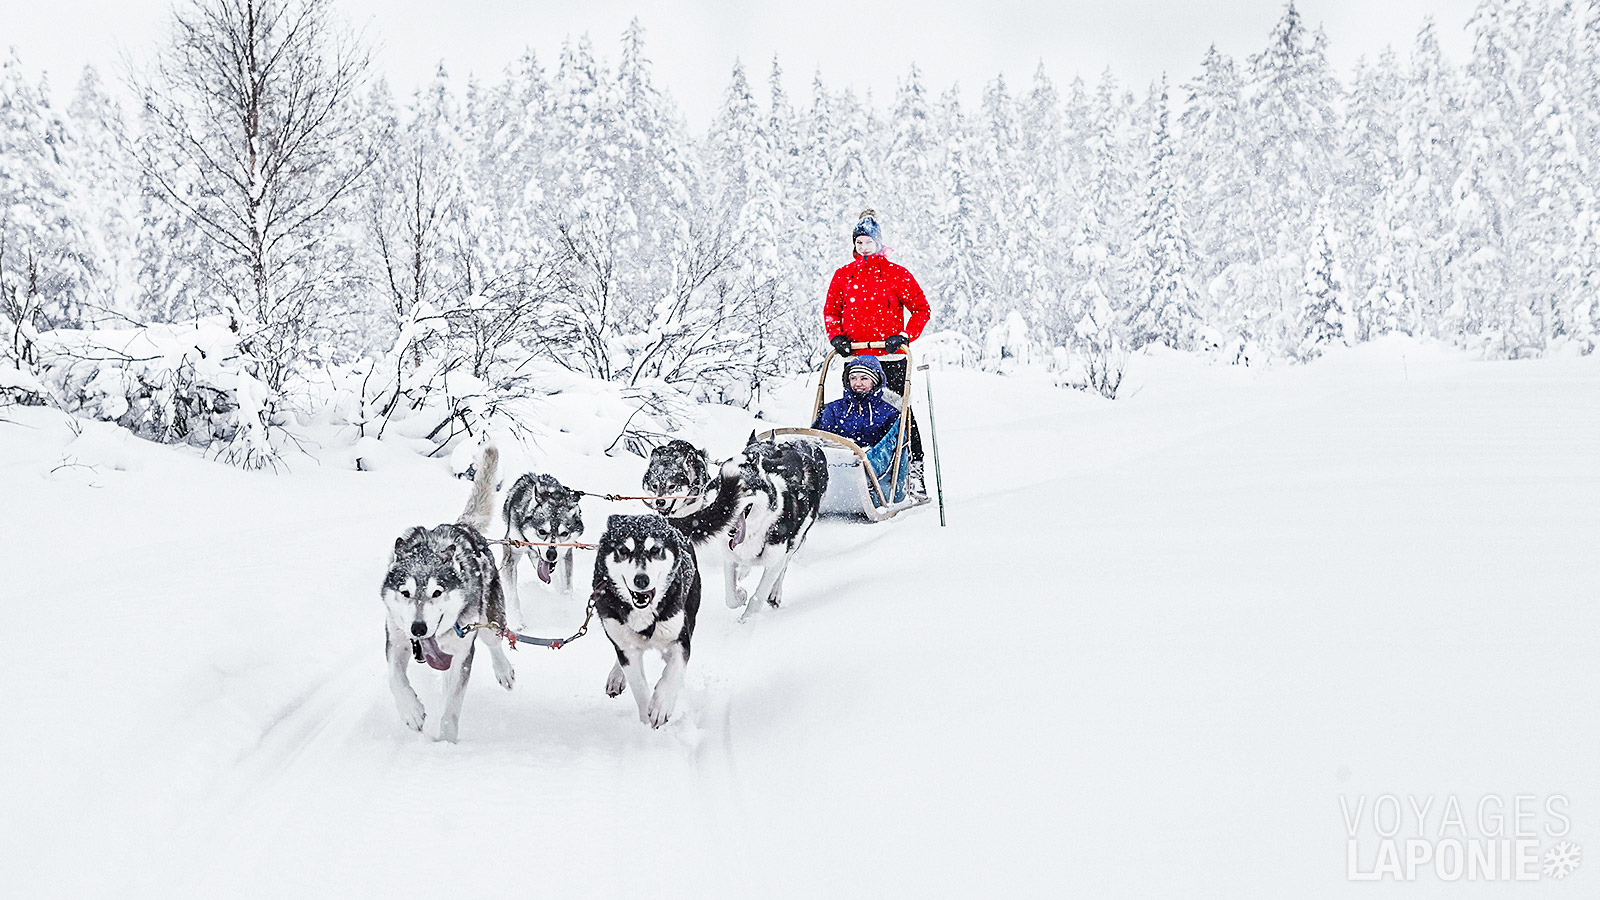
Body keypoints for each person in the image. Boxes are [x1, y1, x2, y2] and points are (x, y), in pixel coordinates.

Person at [822, 209, 931, 497]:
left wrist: (905, 335)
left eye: (868, 241)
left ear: (879, 243)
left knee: (899, 415)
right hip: (857, 358)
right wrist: (837, 337)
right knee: (851, 415)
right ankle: (847, 471)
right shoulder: (844, 276)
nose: (863, 247)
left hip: (891, 359)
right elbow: (831, 311)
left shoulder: (896, 274)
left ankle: (913, 471)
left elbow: (921, 309)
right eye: (859, 242)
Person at [812, 355, 908, 498]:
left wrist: (863, 461)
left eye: (864, 378)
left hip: (873, 470)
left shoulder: (889, 413)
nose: (857, 383)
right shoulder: (834, 409)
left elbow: (889, 448)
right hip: (835, 467)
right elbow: (821, 439)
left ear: (875, 381)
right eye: (853, 378)